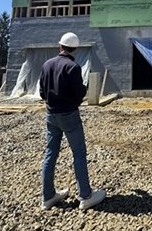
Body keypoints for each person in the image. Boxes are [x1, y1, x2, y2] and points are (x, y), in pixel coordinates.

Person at [39, 32, 106, 210]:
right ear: (75, 49)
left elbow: (41, 93)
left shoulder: (47, 64)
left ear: (60, 46)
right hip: (69, 115)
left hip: (50, 115)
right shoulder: (73, 67)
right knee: (78, 153)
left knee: (50, 154)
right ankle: (85, 195)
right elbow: (79, 93)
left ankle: (48, 196)